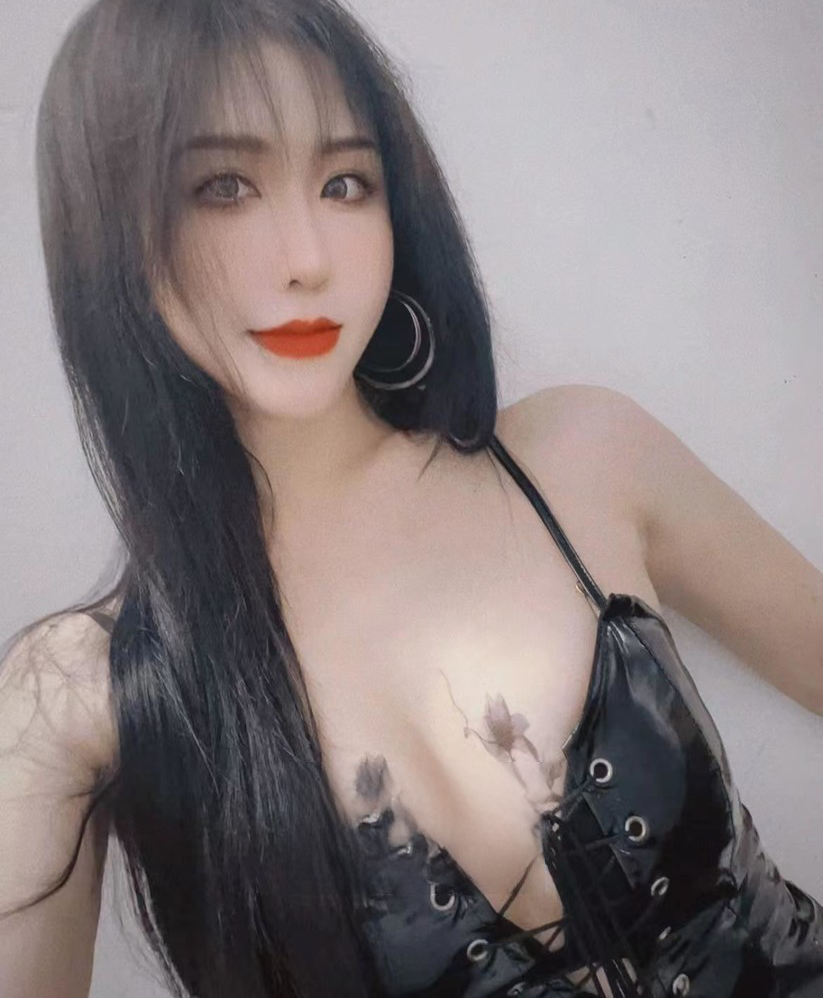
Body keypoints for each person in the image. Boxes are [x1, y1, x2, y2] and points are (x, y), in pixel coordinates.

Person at [1, 0, 821, 996]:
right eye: (222, 187)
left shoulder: (581, 456)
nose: (307, 257)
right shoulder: (81, 692)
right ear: (109, 231)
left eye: (345, 183)